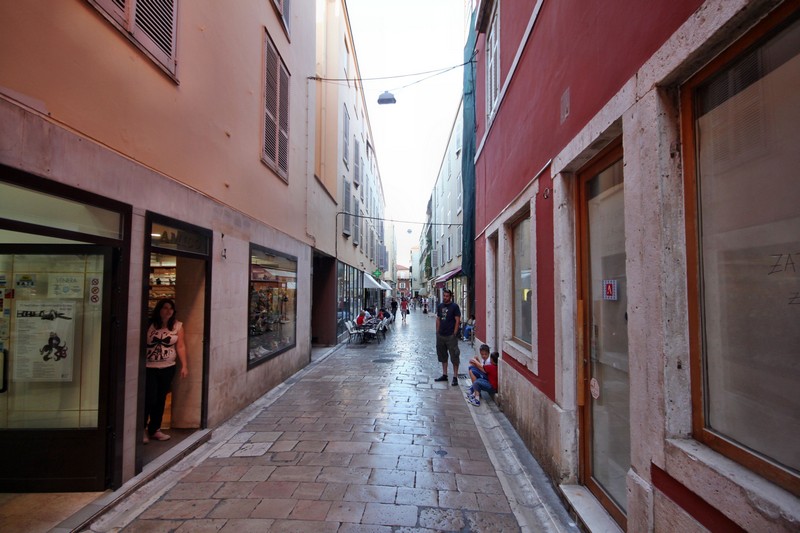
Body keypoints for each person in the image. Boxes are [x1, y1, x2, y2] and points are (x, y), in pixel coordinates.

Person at [144, 298, 188, 443]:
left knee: (160, 398)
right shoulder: (149, 324)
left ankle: (155, 429)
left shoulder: (177, 326)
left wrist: (184, 365)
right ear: (159, 309)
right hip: (149, 367)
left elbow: (180, 346)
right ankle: (141, 428)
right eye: (165, 308)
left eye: (171, 308)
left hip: (168, 367)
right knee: (149, 398)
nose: (168, 311)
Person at [434, 288, 461, 386]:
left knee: (454, 356)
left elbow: (457, 320)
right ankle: (444, 374)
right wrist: (437, 332)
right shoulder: (440, 306)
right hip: (441, 335)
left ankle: (455, 377)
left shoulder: (455, 307)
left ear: (450, 297)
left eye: (447, 296)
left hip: (450, 336)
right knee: (442, 356)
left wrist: (454, 333)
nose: (445, 297)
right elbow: (438, 319)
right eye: (444, 296)